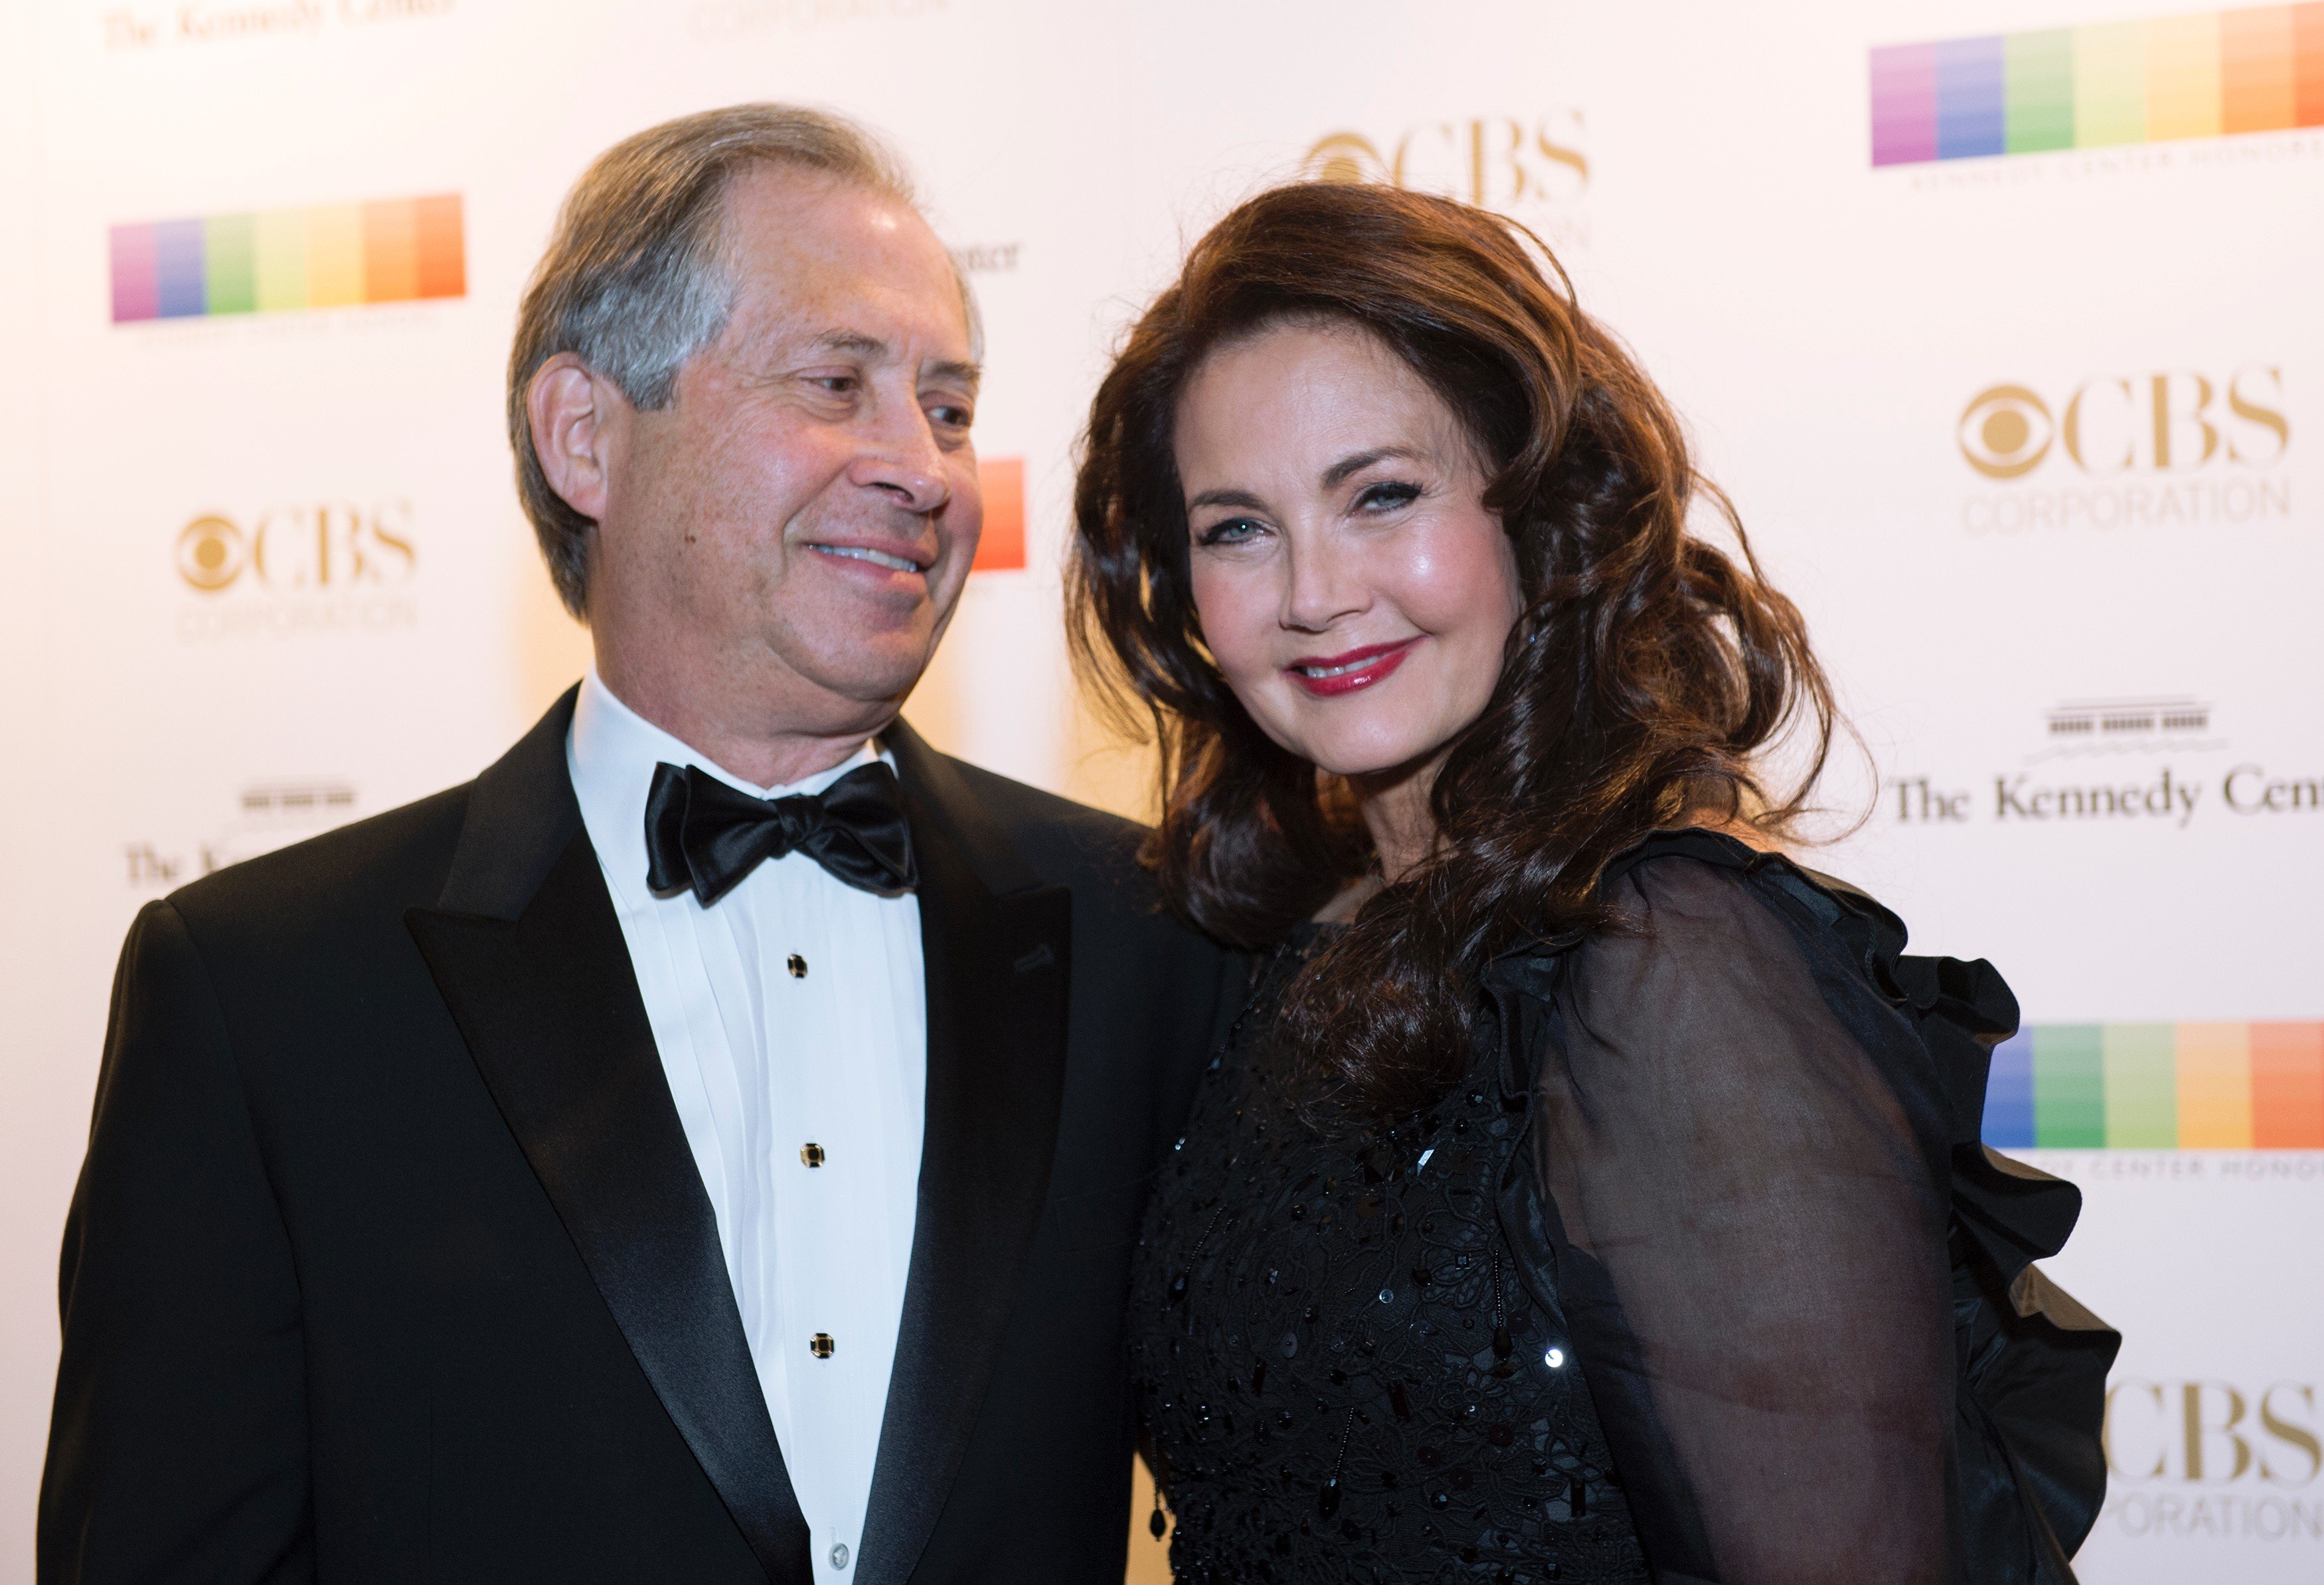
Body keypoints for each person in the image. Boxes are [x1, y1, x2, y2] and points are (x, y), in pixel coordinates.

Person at [41, 105, 1241, 1584]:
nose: (926, 469)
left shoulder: (1153, 945)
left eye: (947, 403)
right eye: (836, 380)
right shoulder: (261, 997)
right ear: (586, 435)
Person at [1070, 181, 2118, 1584]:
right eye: (1236, 529)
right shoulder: (1267, 950)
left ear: (1536, 516)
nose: (1312, 590)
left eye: (1382, 494)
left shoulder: (1668, 958)